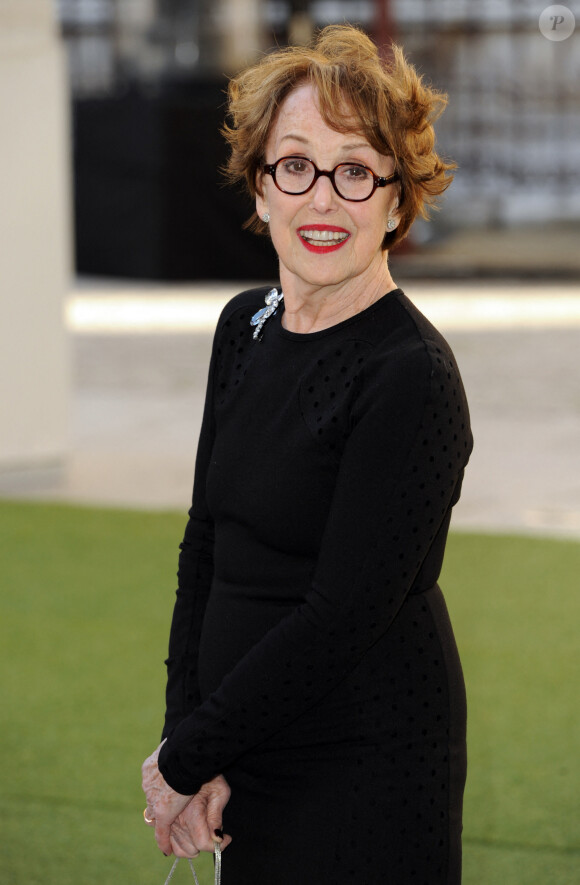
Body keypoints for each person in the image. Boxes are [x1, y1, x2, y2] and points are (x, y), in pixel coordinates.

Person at [142, 24, 473, 884]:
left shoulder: (413, 376)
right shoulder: (242, 326)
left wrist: (190, 756)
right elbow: (205, 542)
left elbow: (340, 617)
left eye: (355, 170)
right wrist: (189, 735)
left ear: (399, 199)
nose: (321, 199)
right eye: (295, 165)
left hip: (361, 766)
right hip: (238, 743)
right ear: (259, 187)